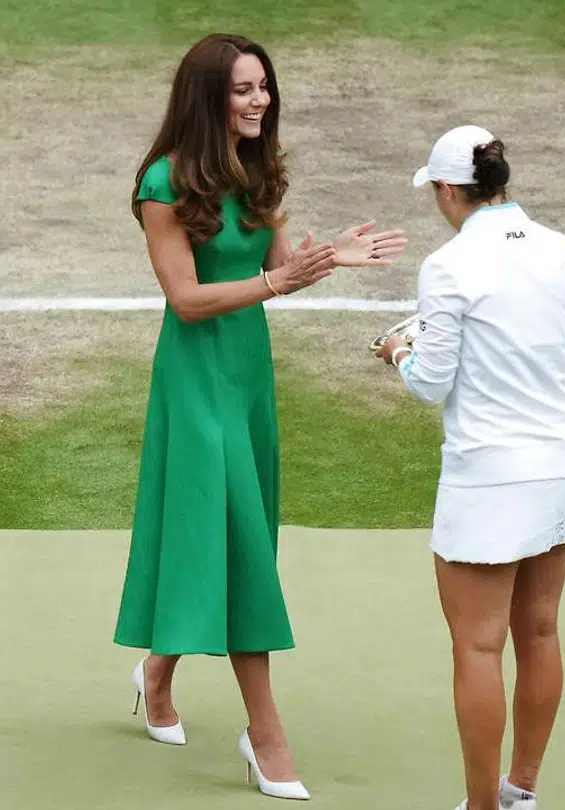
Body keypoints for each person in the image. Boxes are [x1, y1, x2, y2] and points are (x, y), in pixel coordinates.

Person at [112, 32, 408, 801]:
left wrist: (324, 258)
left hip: (248, 375)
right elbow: (186, 298)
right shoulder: (162, 183)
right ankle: (265, 735)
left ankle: (155, 672)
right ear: (209, 95)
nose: (259, 100)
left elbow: (277, 265)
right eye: (244, 89)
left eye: (263, 88)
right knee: (238, 537)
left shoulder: (258, 169)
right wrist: (283, 280)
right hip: (194, 377)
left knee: (233, 534)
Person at [375, 125, 565, 810]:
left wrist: (396, 353)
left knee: (477, 649)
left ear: (447, 190)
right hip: (559, 463)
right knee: (539, 632)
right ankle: (520, 793)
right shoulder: (562, 249)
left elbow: (431, 382)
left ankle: (480, 807)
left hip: (489, 476)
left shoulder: (446, 267)